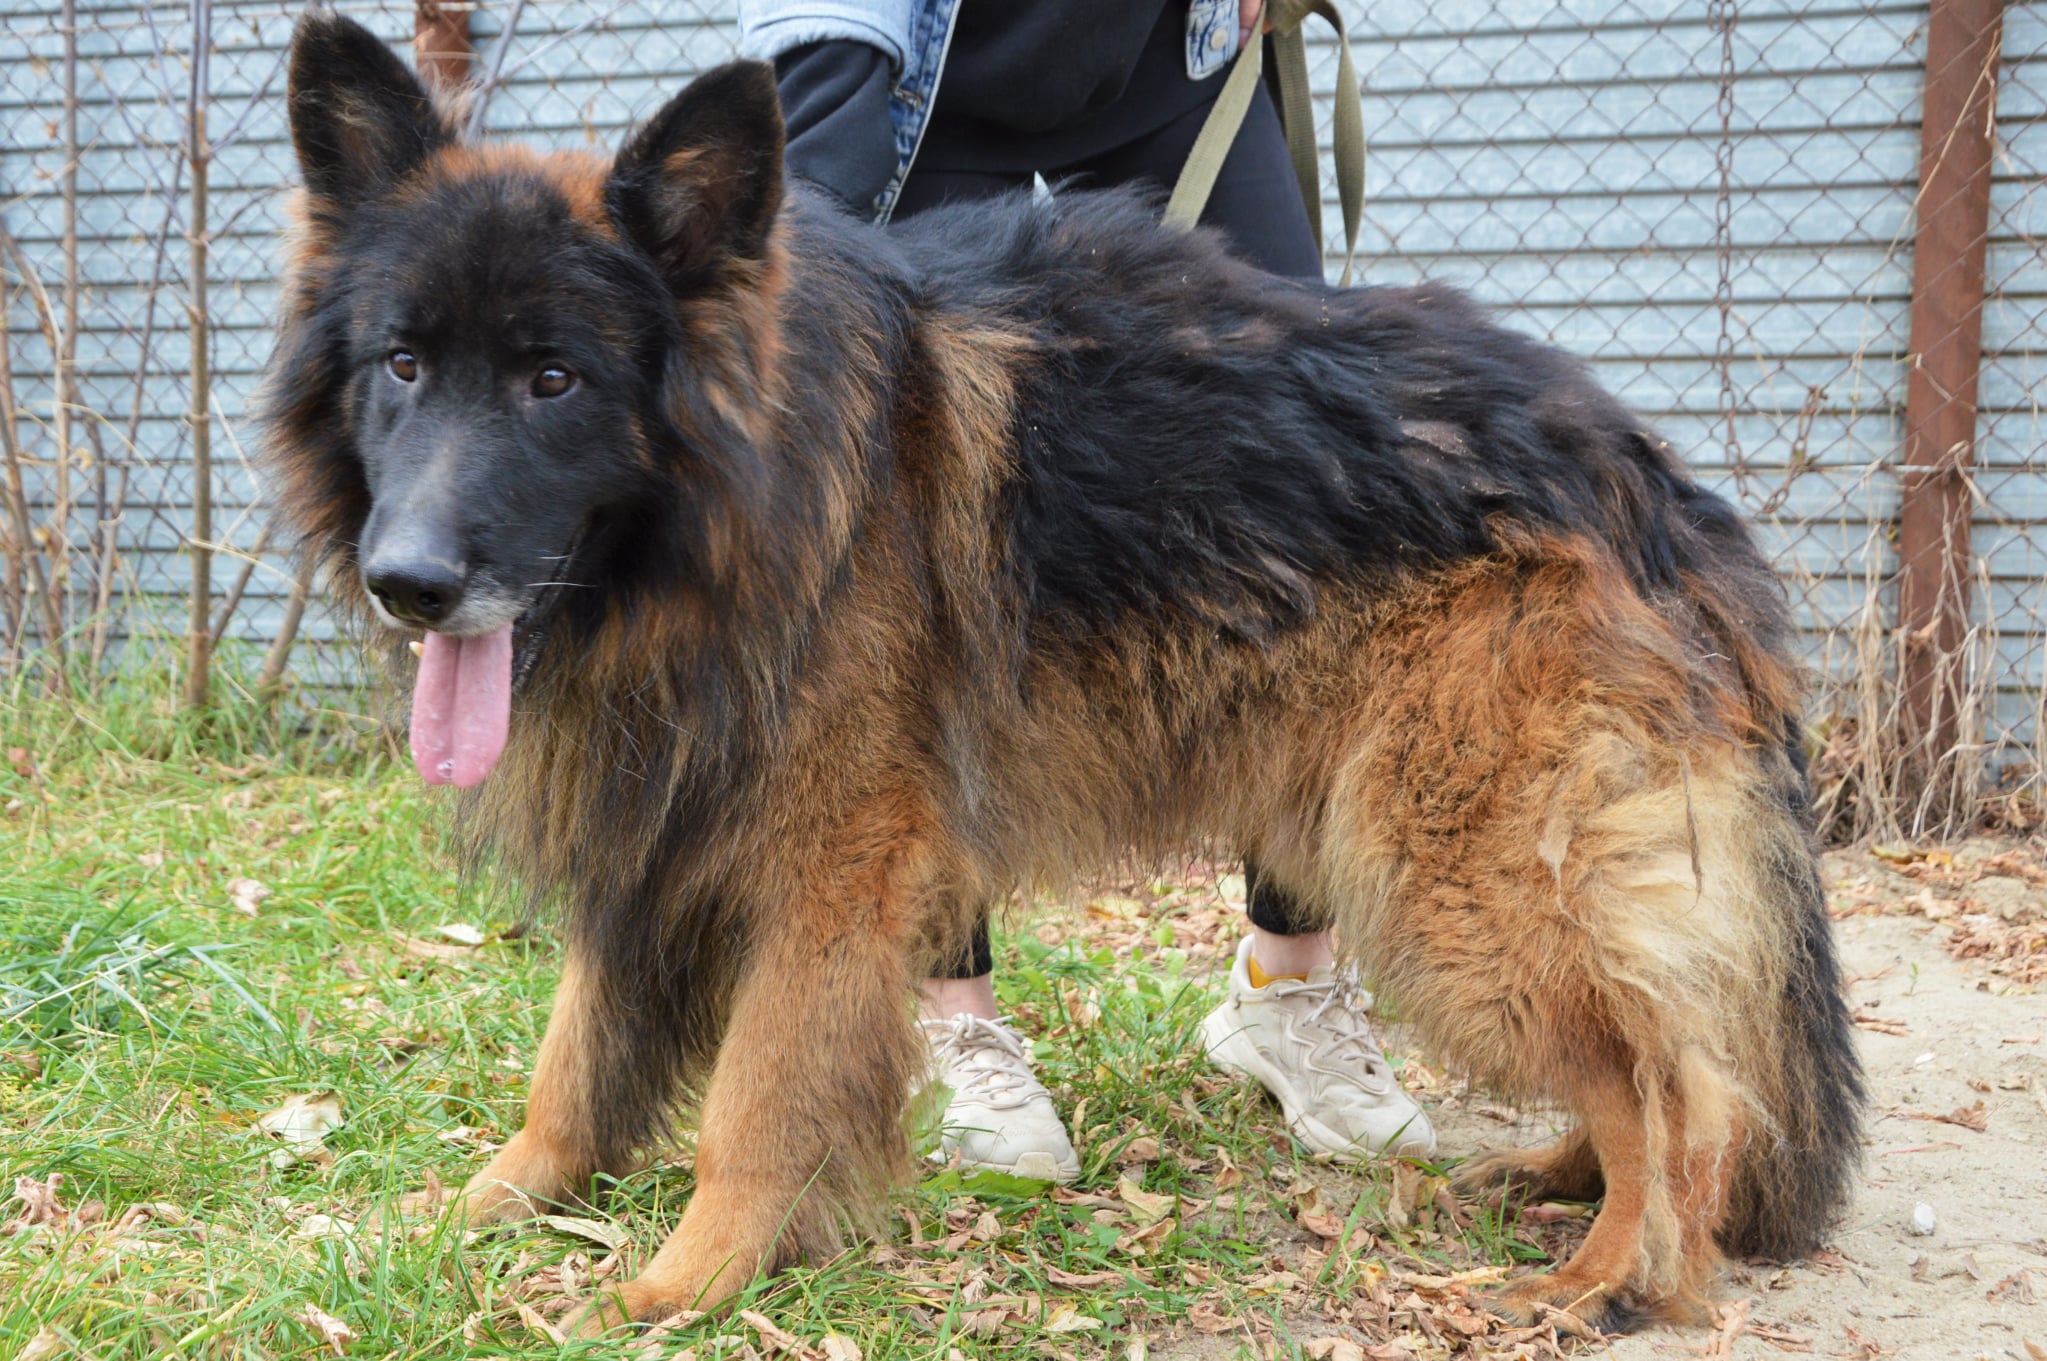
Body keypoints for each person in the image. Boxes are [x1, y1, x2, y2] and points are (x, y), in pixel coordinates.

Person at [738, 0, 1435, 1180]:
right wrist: (801, 203)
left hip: (1168, 56)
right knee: (907, 535)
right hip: (917, 76)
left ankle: (1288, 982)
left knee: (1309, 465)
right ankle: (955, 1022)